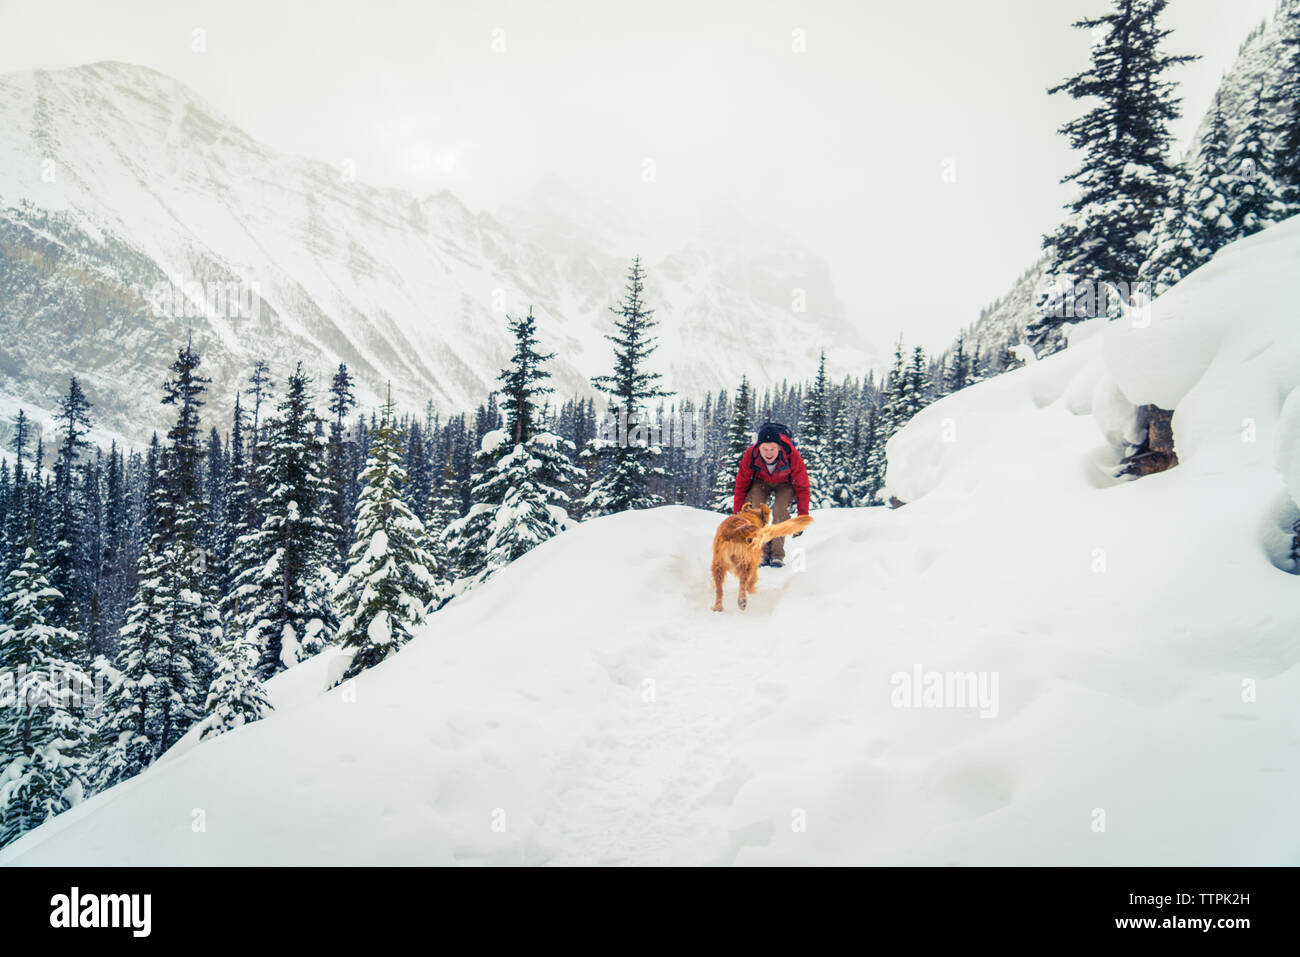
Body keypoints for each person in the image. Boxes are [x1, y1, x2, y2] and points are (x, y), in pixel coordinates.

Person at [731, 423, 811, 567]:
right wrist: (737, 512)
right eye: (765, 449)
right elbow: (741, 484)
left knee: (780, 511)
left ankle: (777, 555)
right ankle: (761, 552)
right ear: (758, 447)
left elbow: (803, 486)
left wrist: (802, 516)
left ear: (779, 447)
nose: (769, 453)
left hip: (784, 484)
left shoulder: (791, 455)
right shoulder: (750, 455)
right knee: (757, 509)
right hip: (760, 481)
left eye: (773, 449)